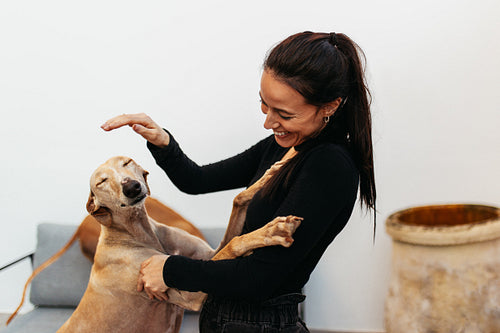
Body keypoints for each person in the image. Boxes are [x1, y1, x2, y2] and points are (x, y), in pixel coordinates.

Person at [101, 31, 376, 333]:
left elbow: (259, 279)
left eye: (283, 113)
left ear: (330, 106)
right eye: (264, 105)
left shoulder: (329, 166)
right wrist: (161, 141)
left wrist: (169, 269)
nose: (268, 122)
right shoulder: (283, 147)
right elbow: (197, 180)